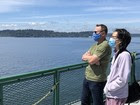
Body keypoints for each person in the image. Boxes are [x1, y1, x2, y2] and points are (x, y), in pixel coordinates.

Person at [81, 24, 112, 105]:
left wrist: (92, 59)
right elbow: (83, 57)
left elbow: (91, 61)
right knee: (84, 101)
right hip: (87, 77)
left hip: (97, 80)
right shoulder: (95, 45)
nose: (93, 34)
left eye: (96, 32)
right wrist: (93, 59)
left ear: (103, 34)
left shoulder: (105, 45)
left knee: (97, 103)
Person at [104, 29, 132, 105]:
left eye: (113, 37)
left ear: (120, 40)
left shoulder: (124, 55)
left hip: (117, 96)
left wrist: (109, 87)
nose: (110, 39)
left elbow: (122, 79)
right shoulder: (117, 54)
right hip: (113, 94)